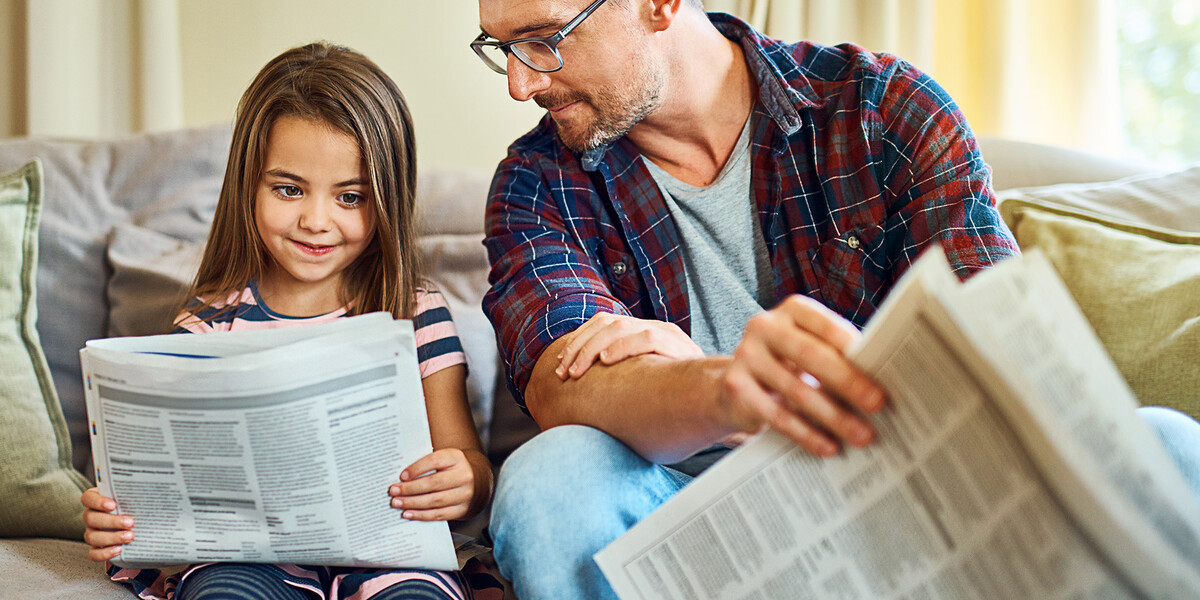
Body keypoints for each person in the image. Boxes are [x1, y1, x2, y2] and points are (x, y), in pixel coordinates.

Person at [472, 0, 1200, 598]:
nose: (518, 83)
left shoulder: (883, 109)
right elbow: (563, 383)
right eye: (499, 47)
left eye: (543, 40)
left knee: (1172, 445)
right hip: (690, 535)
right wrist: (721, 388)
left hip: (912, 505)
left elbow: (1001, 365)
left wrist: (783, 395)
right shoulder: (537, 182)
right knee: (548, 481)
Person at [79, 42, 500, 600]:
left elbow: (469, 463)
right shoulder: (210, 325)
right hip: (250, 557)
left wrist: (467, 483)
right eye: (288, 189)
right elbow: (163, 494)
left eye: (350, 197)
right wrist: (117, 517)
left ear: (387, 201)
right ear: (247, 185)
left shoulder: (414, 311)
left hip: (389, 551)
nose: (315, 221)